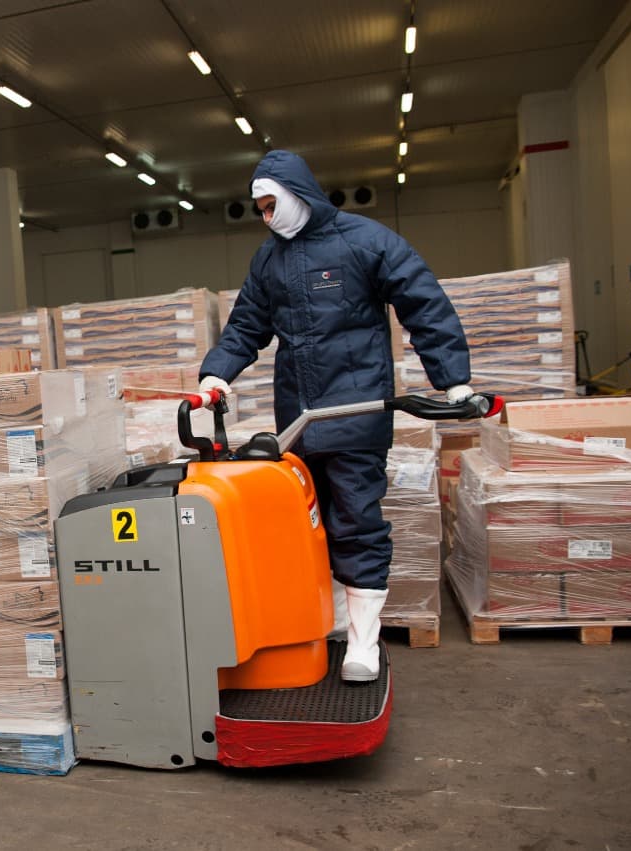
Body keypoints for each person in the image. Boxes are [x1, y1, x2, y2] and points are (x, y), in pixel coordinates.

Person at [200, 150, 471, 682]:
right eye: (257, 209)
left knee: (356, 521)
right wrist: (216, 374)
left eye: (270, 204)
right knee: (308, 524)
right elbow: (245, 326)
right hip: (297, 419)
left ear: (296, 192)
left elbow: (424, 302)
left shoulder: (365, 241)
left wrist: (453, 379)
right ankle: (335, 624)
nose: (265, 216)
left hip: (356, 411)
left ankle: (364, 643)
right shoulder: (268, 260)